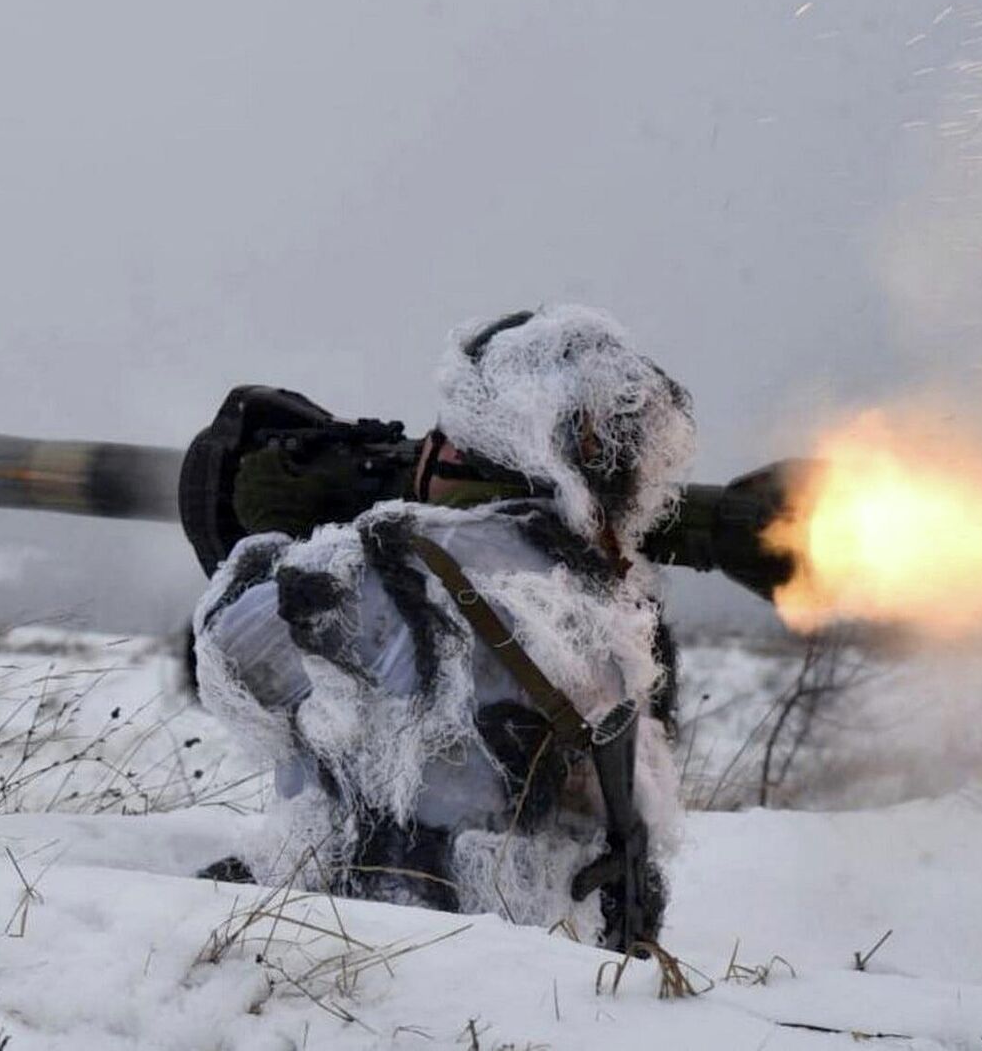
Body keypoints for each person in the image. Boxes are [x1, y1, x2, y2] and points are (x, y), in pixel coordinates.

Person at [192, 304, 691, 948]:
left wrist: (276, 539)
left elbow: (235, 664)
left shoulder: (388, 570)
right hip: (556, 945)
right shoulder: (608, 591)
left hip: (393, 942)